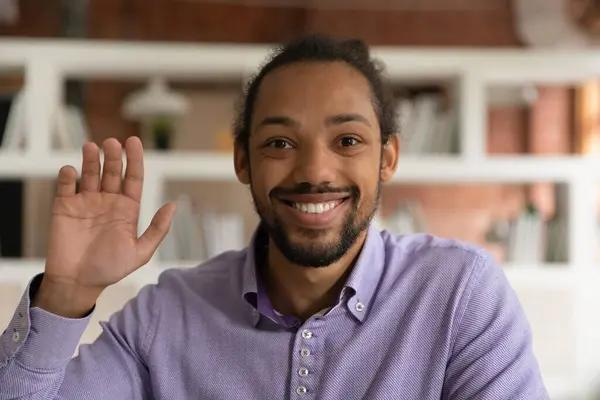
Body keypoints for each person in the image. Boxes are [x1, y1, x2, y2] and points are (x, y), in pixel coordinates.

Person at [0, 34, 549, 400]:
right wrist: (66, 294)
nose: (314, 170)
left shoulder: (459, 295)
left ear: (388, 158)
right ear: (243, 160)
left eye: (349, 140)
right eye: (280, 142)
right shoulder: (166, 315)